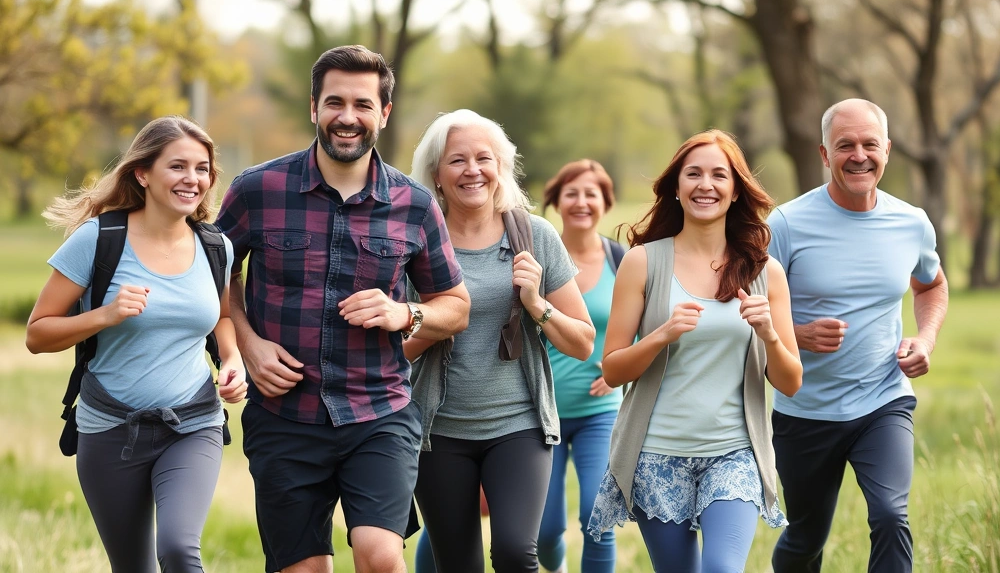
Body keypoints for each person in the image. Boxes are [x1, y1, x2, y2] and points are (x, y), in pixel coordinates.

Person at [215, 45, 471, 573]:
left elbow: (456, 306)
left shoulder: (415, 205)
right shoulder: (257, 190)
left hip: (378, 411)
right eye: (335, 102)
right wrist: (247, 343)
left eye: (362, 104)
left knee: (380, 556)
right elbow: (210, 278)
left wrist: (406, 314)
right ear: (314, 108)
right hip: (284, 415)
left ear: (384, 113)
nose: (347, 118)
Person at [25, 116, 248, 572]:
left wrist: (232, 358)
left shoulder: (215, 247)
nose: (193, 179)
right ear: (142, 173)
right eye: (178, 166)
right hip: (109, 427)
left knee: (180, 550)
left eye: (202, 169)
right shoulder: (98, 240)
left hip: (191, 422)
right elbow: (37, 333)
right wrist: (105, 315)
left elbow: (222, 316)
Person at [587, 129, 802, 572]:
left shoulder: (765, 272)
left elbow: (791, 382)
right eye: (694, 174)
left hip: (734, 453)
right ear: (677, 187)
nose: (706, 184)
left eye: (719, 175)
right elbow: (613, 369)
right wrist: (661, 335)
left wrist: (770, 335)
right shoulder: (644, 262)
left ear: (736, 190)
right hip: (655, 454)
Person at [408, 109, 595, 573]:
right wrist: (436, 322)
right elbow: (392, 351)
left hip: (519, 425)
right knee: (458, 564)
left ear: (501, 167)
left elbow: (583, 343)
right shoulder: (414, 243)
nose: (472, 170)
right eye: (457, 160)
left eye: (483, 158)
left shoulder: (536, 236)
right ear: (436, 173)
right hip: (438, 429)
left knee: (515, 552)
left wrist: (537, 305)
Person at [768, 98, 949, 573]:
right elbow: (749, 308)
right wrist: (797, 334)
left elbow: (931, 284)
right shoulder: (785, 224)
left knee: (891, 515)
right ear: (825, 155)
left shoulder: (911, 222)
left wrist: (925, 339)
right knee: (806, 537)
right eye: (844, 145)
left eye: (870, 144)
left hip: (882, 400)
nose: (859, 155)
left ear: (887, 150)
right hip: (804, 409)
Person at [536, 160, 623, 573]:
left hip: (600, 413)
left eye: (591, 193)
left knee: (598, 516)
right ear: (556, 201)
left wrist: (622, 369)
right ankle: (556, 566)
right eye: (571, 193)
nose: (581, 202)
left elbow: (646, 326)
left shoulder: (622, 261)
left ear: (606, 202)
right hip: (540, 413)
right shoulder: (536, 257)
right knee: (544, 530)